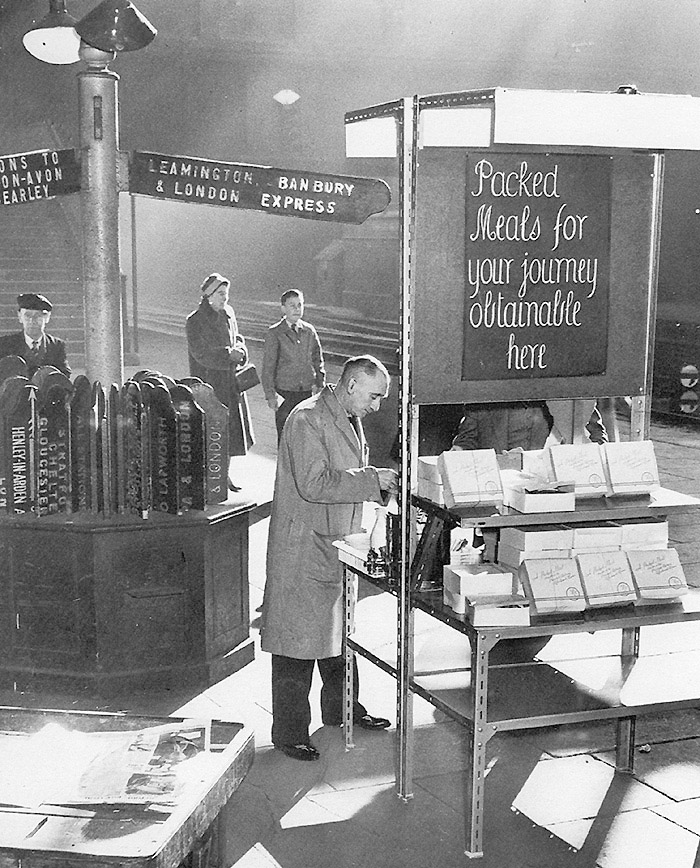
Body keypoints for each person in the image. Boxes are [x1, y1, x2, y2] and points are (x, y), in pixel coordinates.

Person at [260, 354, 398, 761]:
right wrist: (373, 479)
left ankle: (342, 710)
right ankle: (288, 733)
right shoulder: (308, 419)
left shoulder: (345, 416)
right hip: (304, 544)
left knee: (339, 633)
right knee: (297, 643)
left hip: (335, 538)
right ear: (352, 384)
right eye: (374, 397)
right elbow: (314, 482)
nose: (376, 407)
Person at [186, 273, 253, 490]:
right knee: (212, 432)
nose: (226, 298)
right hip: (210, 385)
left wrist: (241, 351)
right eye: (221, 294)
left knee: (231, 433)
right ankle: (208, 480)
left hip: (231, 383)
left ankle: (224, 476)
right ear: (209, 296)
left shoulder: (228, 313)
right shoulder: (195, 320)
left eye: (227, 294)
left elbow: (238, 338)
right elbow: (200, 353)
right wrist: (228, 354)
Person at [261, 288, 326, 443]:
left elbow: (318, 358)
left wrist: (320, 382)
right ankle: (285, 467)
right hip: (284, 393)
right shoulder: (275, 333)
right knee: (285, 436)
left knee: (304, 436)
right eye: (292, 305)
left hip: (305, 393)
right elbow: (268, 367)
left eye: (300, 305)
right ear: (283, 308)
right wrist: (271, 395)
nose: (297, 309)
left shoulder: (309, 331)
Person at [0, 293, 71, 378]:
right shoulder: (5, 344)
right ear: (20, 317)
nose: (32, 321)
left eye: (38, 316)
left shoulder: (56, 345)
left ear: (47, 317)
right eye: (27, 315)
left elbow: (64, 375)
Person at [451, 400, 554, 452]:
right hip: (496, 478)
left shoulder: (538, 401)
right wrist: (459, 449)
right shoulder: (480, 403)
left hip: (535, 479)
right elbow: (467, 439)